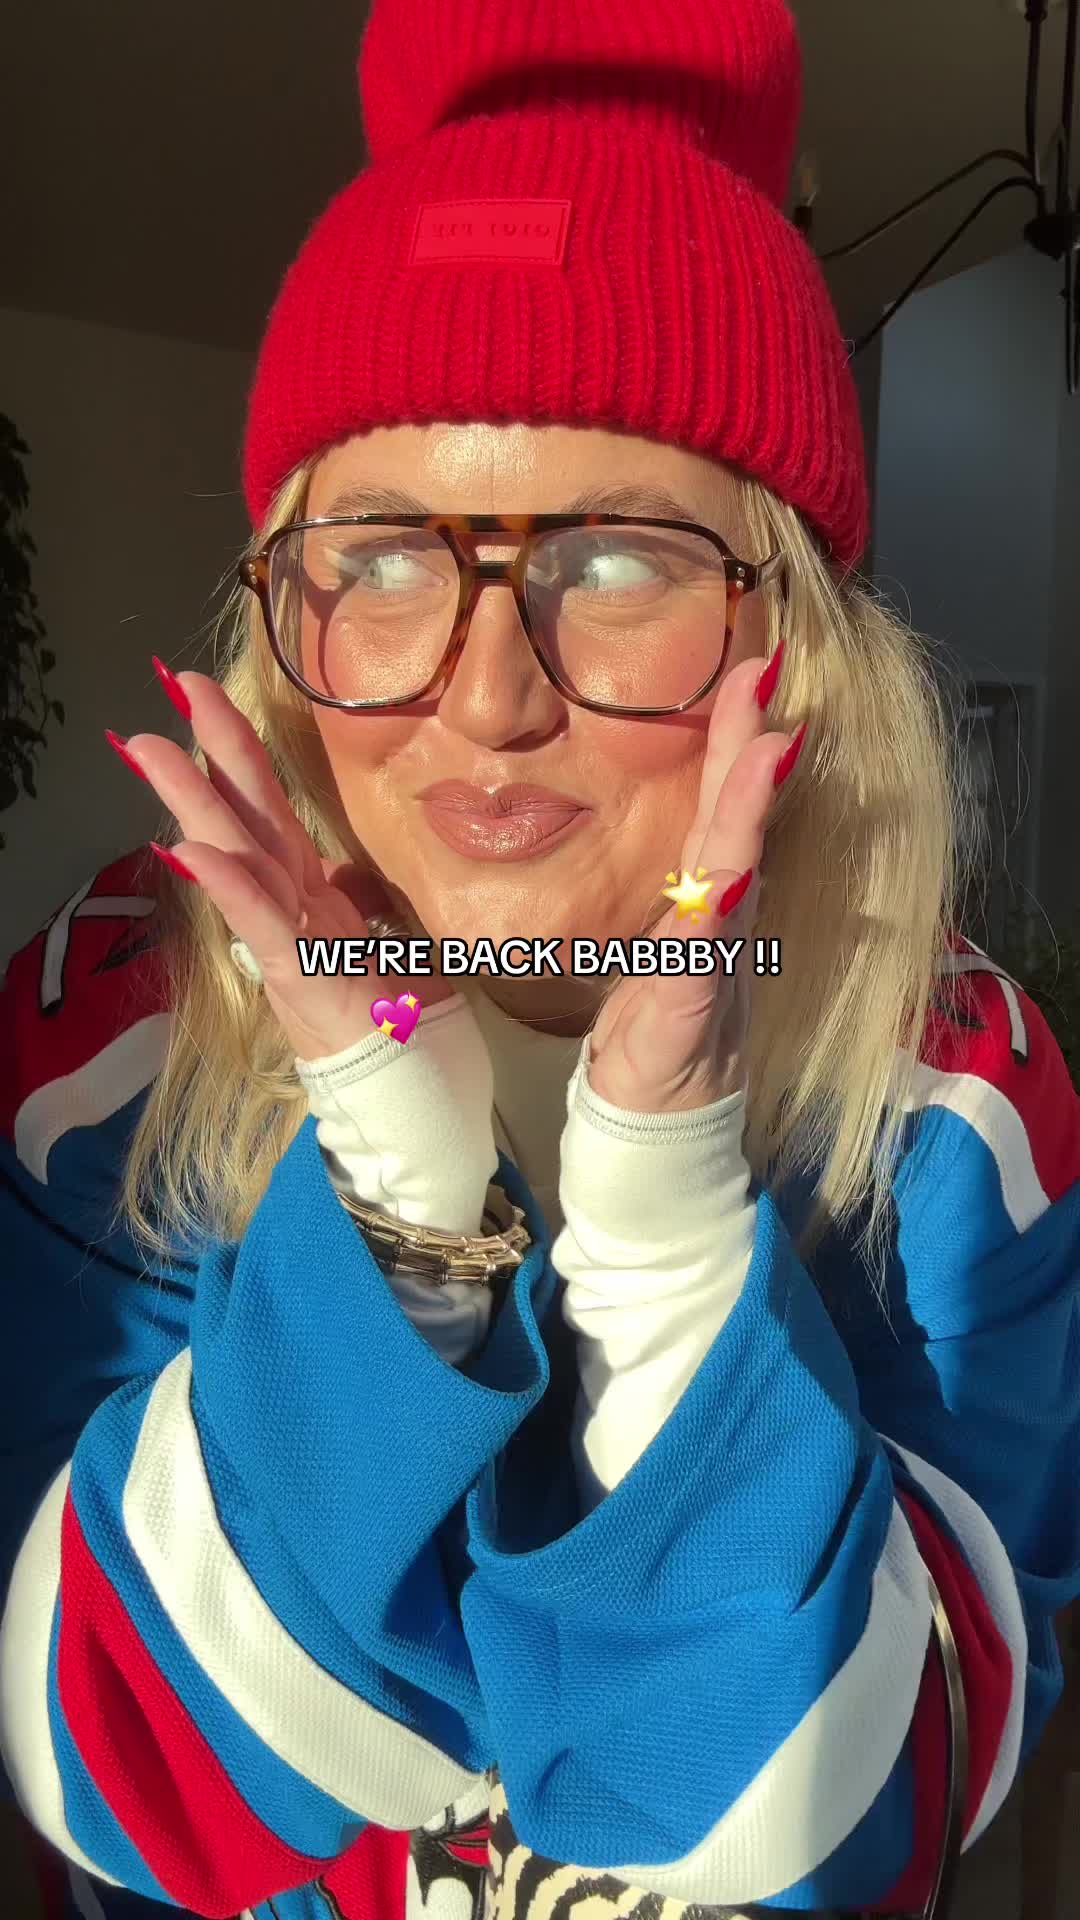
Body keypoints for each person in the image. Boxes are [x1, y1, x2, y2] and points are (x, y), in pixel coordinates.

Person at [2, 2, 1079, 1918]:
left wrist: (664, 1207)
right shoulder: (111, 1043)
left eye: (619, 559)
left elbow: (862, 1824)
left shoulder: (960, 1096)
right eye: (382, 556)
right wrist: (393, 1210)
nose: (489, 696)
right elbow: (118, 1778)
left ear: (794, 643)